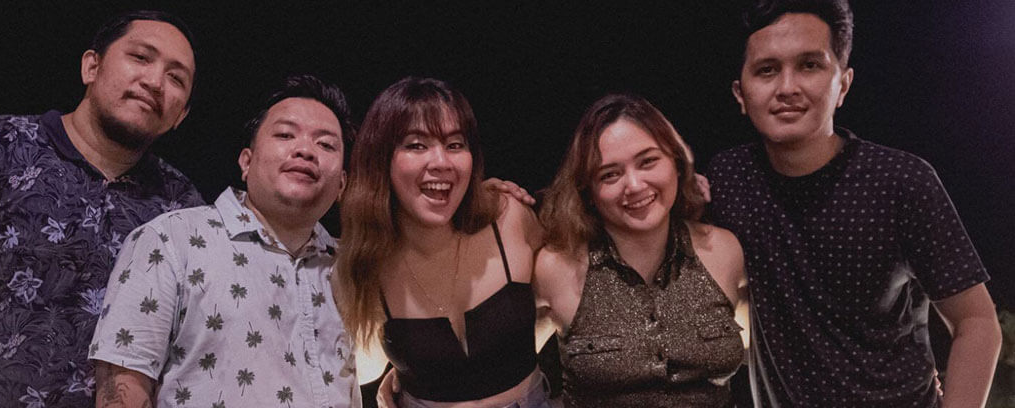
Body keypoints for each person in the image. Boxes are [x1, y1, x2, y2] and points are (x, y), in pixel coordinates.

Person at [0, 10, 202, 407]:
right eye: (140, 57)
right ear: (91, 66)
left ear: (180, 115)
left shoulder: (181, 206)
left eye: (176, 78)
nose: (154, 81)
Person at [706, 0, 1002, 406]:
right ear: (741, 93)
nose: (787, 87)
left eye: (810, 65)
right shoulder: (729, 179)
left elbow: (977, 321)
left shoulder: (901, 182)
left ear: (842, 84)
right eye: (767, 70)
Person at [89, 75, 361, 407]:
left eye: (326, 145)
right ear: (246, 161)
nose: (305, 150)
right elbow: (122, 387)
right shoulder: (171, 240)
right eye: (285, 135)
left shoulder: (353, 269)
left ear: (342, 185)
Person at [335, 77, 553, 407]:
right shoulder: (365, 264)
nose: (441, 162)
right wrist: (402, 371)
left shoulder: (510, 219)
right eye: (416, 145)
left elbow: (563, 301)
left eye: (454, 144)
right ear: (380, 159)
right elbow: (361, 371)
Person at [533, 93, 747, 407]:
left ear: (676, 162)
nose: (634, 185)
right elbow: (508, 373)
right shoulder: (557, 268)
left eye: (648, 161)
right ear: (588, 191)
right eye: (610, 174)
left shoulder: (723, 250)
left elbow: (759, 352)